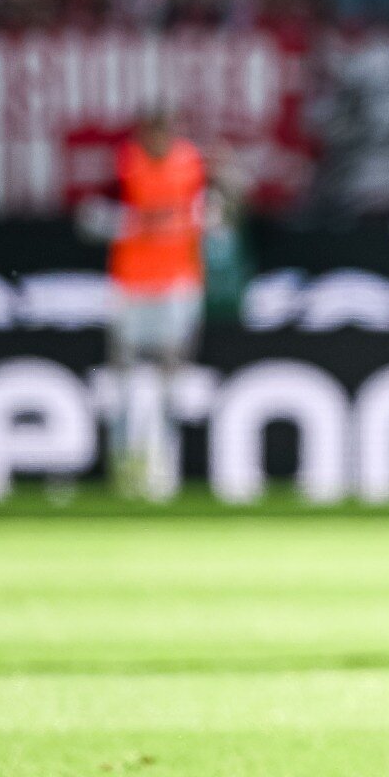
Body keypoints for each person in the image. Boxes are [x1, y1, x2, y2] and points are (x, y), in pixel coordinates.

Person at [100, 112, 215, 501]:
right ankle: (122, 464)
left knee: (171, 379)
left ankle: (166, 465)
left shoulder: (191, 165)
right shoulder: (123, 169)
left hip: (176, 287)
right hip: (131, 287)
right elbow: (92, 219)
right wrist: (139, 222)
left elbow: (215, 213)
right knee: (123, 379)